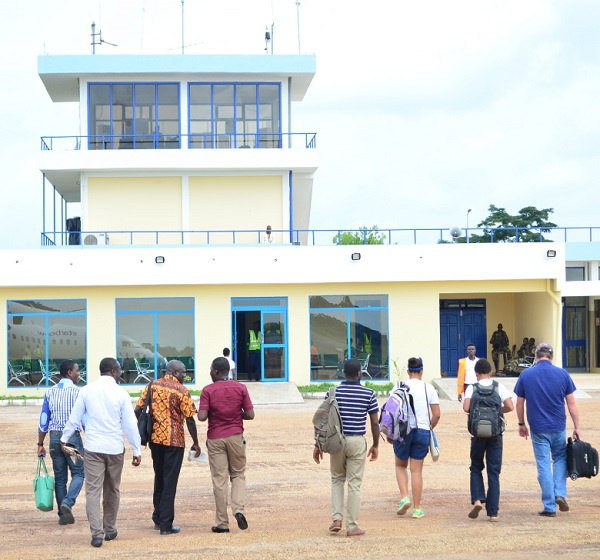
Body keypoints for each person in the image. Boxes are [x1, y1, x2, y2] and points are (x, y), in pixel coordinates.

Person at [61, 357, 142, 548]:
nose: (121, 373)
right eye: (119, 370)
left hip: (93, 448)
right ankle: (110, 529)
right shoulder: (121, 393)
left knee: (93, 491)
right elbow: (130, 425)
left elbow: (75, 417)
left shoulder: (86, 390)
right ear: (113, 371)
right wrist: (136, 449)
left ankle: (96, 534)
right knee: (112, 490)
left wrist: (64, 438)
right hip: (114, 449)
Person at [313, 358, 379, 536]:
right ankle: (352, 526)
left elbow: (323, 420)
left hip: (336, 441)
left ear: (343, 373)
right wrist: (375, 445)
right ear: (359, 373)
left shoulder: (333, 392)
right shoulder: (369, 393)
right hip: (357, 441)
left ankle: (336, 519)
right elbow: (374, 422)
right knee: (354, 484)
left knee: (336, 479)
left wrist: (317, 445)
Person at [134, 360, 200, 535]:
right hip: (174, 442)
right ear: (174, 372)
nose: (185, 375)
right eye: (183, 372)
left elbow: (138, 409)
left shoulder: (151, 386)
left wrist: (144, 427)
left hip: (155, 440)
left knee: (160, 478)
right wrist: (196, 442)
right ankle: (165, 525)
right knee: (170, 482)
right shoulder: (181, 390)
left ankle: (157, 517)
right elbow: (190, 419)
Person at [514, 342, 581, 516]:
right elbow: (571, 404)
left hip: (538, 427)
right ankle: (560, 493)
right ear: (551, 356)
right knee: (560, 459)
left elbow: (519, 402)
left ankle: (549, 506)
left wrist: (521, 424)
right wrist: (577, 427)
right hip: (558, 426)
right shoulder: (562, 374)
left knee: (543, 464)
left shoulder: (526, 375)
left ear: (536, 356)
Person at [198, 357, 255, 533]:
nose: (209, 373)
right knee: (238, 475)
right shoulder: (241, 388)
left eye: (210, 370)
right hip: (236, 436)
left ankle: (222, 523)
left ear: (216, 372)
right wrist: (238, 416)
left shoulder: (208, 390)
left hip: (215, 438)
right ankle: (238, 509)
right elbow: (251, 414)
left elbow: (201, 417)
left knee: (219, 480)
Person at [463, 358, 514, 522]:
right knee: (494, 472)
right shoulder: (499, 387)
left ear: (476, 374)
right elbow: (510, 406)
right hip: (495, 434)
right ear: (491, 372)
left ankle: (478, 499)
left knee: (476, 467)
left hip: (477, 434)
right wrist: (499, 412)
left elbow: (466, 408)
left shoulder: (472, 388)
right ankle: (493, 513)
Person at [37, 360, 85, 526]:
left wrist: (40, 444)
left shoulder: (49, 392)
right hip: (72, 439)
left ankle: (63, 516)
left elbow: (44, 420)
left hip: (54, 438)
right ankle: (68, 503)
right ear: (69, 373)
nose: (79, 373)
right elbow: (84, 420)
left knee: (60, 477)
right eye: (77, 370)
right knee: (79, 473)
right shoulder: (78, 393)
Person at [393, 357, 440, 519]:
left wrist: (389, 433)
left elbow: (391, 412)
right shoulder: (429, 389)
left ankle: (405, 497)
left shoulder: (398, 387)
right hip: (422, 430)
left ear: (408, 372)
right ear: (421, 371)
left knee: (400, 466)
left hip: (403, 431)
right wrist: (429, 427)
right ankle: (417, 508)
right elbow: (437, 414)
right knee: (417, 470)